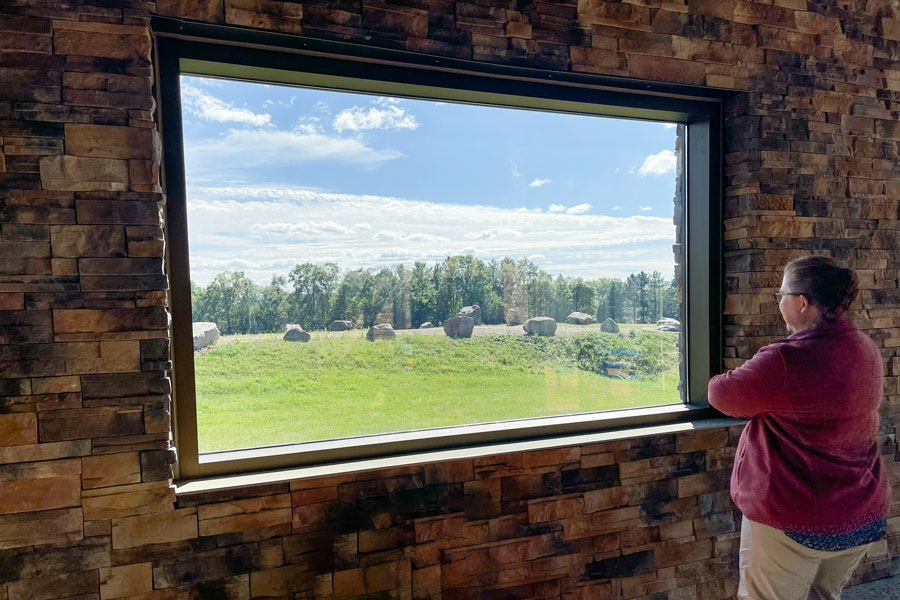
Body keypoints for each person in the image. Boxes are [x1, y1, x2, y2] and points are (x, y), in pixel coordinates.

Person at [708, 256, 890, 600]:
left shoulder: (786, 360)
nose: (779, 302)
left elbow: (721, 394)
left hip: (796, 519)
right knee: (821, 595)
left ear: (802, 302)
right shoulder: (864, 348)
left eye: (781, 295)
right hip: (860, 513)